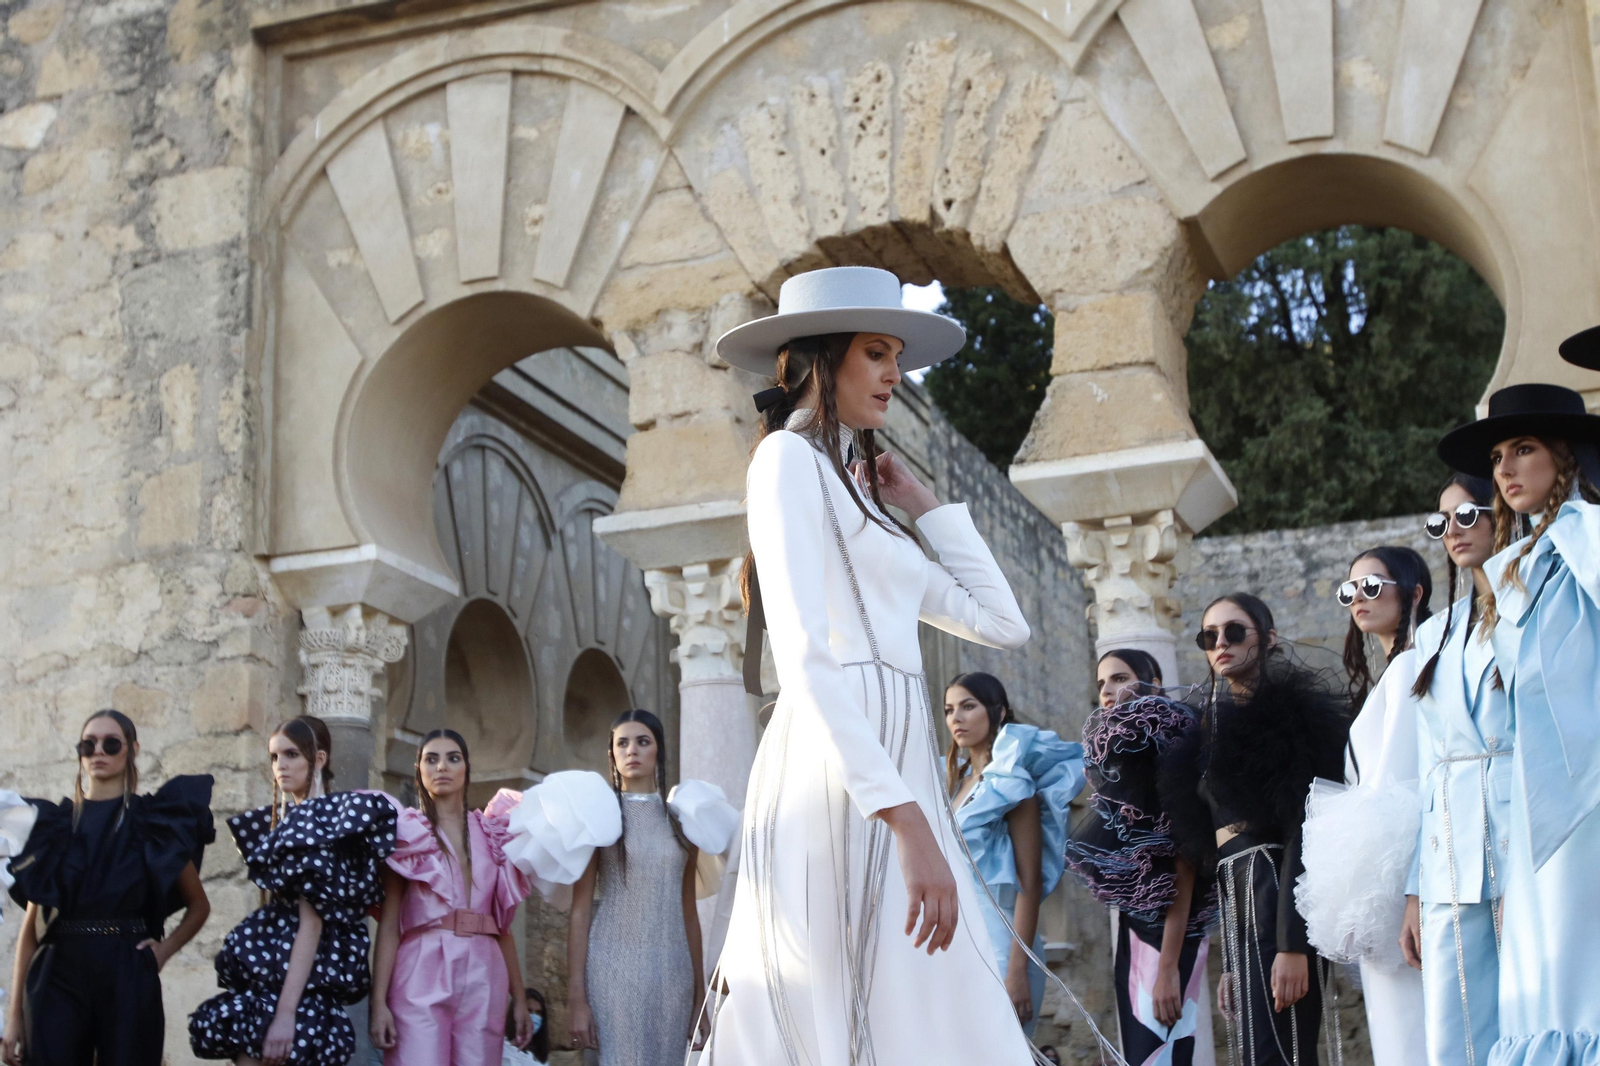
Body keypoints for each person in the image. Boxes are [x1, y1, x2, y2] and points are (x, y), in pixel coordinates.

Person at [699, 265, 1083, 1064]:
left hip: (899, 763)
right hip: (837, 771)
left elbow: (1000, 622)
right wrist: (905, 816)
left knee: (931, 1000)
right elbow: (804, 654)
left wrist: (924, 502)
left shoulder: (870, 497)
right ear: (821, 357)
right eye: (875, 352)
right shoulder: (784, 463)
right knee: (833, 1004)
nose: (893, 374)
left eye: (896, 355)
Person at [1435, 380, 1600, 1066]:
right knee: (1537, 974)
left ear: (1563, 457)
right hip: (1531, 812)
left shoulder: (1592, 538)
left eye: (1523, 449)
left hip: (1588, 798)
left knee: (1578, 969)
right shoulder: (1515, 571)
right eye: (1499, 454)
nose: (1504, 469)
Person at [1160, 594, 1348, 1066]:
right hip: (1241, 899)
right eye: (1209, 636)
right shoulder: (1213, 727)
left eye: (1234, 631)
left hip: (1278, 897)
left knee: (1279, 1053)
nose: (1220, 643)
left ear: (1268, 638)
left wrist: (1292, 944)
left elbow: (1300, 834)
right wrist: (1233, 962)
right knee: (1255, 1053)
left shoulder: (1290, 720)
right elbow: (1225, 856)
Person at [501, 710, 737, 1066]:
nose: (632, 751)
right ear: (611, 753)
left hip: (673, 973)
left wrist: (698, 997)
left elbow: (688, 912)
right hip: (613, 969)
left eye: (643, 741)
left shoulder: (683, 821)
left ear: (658, 750)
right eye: (622, 743)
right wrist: (577, 998)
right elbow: (580, 914)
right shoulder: (601, 817)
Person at [4, 710, 213, 1066]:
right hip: (57, 969)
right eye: (88, 744)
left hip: (127, 967)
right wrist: (13, 1018)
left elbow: (199, 906)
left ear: (132, 749)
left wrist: (163, 951)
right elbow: (31, 928)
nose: (97, 751)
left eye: (110, 743)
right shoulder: (54, 826)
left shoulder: (154, 821)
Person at [189, 715, 398, 1066]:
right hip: (278, 983)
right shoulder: (292, 822)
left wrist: (285, 1014)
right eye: (274, 757)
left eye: (291, 755)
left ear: (318, 759)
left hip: (298, 992)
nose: (280, 765)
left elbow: (311, 925)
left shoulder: (322, 824)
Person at [1298, 547, 1432, 1066]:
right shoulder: (1396, 672)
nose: (1358, 598)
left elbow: (1397, 790)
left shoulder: (1412, 669)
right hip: (1391, 883)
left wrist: (1374, 899)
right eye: (1349, 590)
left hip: (1400, 886)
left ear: (1414, 592)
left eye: (1373, 586)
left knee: (1409, 1032)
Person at [1394, 474, 1509, 1066]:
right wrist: (1414, 889)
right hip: (1445, 858)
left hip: (1523, 836)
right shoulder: (1433, 633)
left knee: (1530, 1008)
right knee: (1456, 1021)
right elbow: (1427, 769)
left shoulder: (1535, 607)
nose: (1452, 532)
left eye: (1468, 515)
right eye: (1441, 522)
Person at [1067, 650, 1217, 1066]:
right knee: (1143, 1054)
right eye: (1101, 684)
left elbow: (1183, 863)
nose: (1108, 691)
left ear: (1152, 680)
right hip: (1137, 933)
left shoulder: (1163, 747)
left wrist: (1169, 966)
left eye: (1119, 678)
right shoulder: (1128, 754)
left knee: (1160, 1053)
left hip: (1168, 937)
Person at [369, 729, 532, 1065]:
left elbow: (502, 926)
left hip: (485, 970)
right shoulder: (405, 833)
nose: (441, 766)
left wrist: (519, 997)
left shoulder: (492, 833)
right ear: (419, 770)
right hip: (421, 966)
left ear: (466, 769)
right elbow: (389, 925)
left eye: (452, 758)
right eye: (431, 759)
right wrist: (378, 1003)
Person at [944, 671, 1084, 1035]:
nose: (956, 718)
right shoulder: (953, 786)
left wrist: (1018, 970)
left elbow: (1030, 882)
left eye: (968, 706)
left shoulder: (1014, 784)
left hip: (1006, 947)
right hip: (959, 946)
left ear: (999, 712)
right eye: (949, 709)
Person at [500, 988, 548, 1066]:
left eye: (538, 1012)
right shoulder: (506, 1049)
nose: (534, 1017)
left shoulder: (539, 1055)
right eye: (529, 1011)